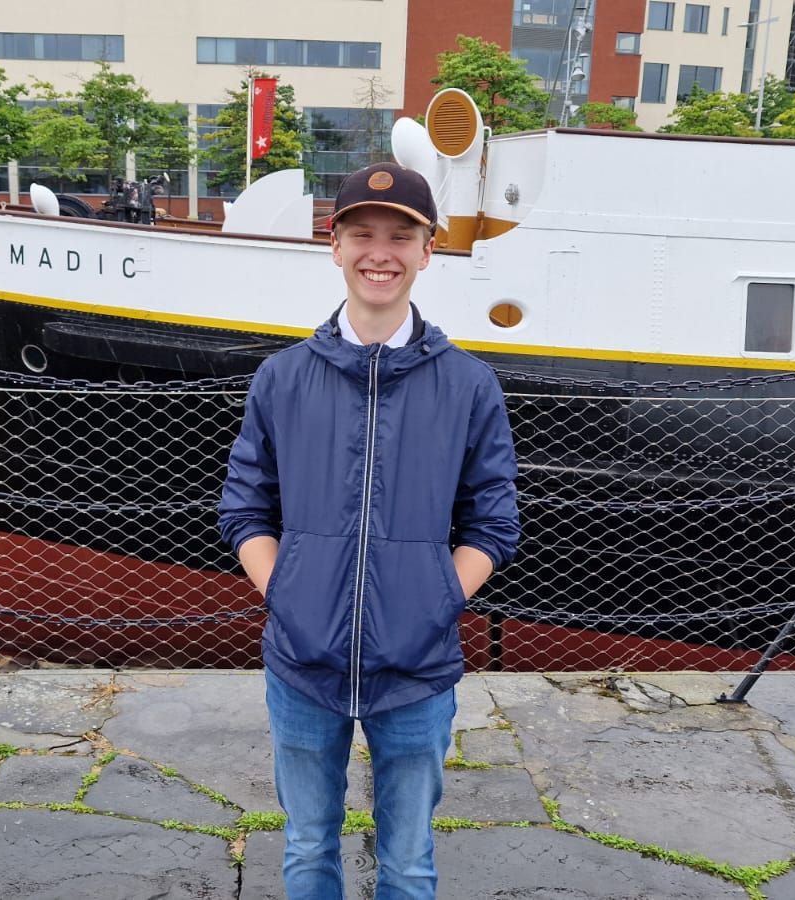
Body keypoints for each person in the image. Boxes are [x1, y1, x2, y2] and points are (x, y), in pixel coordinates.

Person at [217, 162, 520, 899]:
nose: (379, 253)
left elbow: (493, 520)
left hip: (417, 669)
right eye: (362, 234)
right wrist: (286, 593)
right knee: (307, 847)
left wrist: (436, 601)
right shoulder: (282, 377)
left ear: (427, 251)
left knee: (408, 862)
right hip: (302, 665)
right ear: (335, 244)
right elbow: (245, 507)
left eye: (400, 237)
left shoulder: (469, 384)